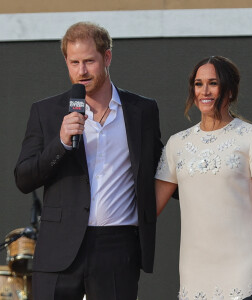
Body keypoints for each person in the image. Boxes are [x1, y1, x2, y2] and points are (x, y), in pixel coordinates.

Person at [14, 22, 163, 300]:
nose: (81, 71)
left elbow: (160, 165)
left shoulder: (141, 110)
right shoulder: (45, 112)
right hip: (58, 247)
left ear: (107, 57)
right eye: (74, 62)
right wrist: (59, 142)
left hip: (117, 248)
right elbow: (24, 178)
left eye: (89, 61)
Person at [155, 56, 252, 300]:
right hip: (195, 268)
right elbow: (149, 208)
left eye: (213, 83)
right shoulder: (177, 144)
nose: (204, 91)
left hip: (245, 264)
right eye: (198, 83)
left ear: (230, 90)